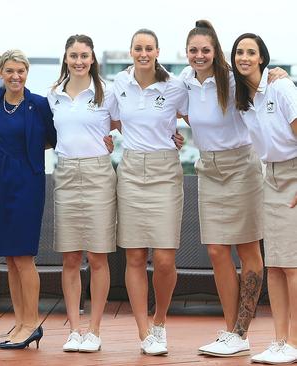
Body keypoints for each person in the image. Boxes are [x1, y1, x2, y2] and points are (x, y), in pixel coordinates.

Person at [180, 20, 265, 358]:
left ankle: (241, 330)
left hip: (242, 167)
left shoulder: (232, 81)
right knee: (216, 250)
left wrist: (278, 75)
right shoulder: (185, 82)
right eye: (193, 50)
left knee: (248, 251)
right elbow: (184, 117)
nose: (199, 55)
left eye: (205, 50)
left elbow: (266, 92)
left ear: (215, 51)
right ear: (187, 53)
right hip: (208, 168)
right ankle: (232, 331)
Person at [112, 29, 188, 356]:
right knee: (135, 255)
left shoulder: (174, 86)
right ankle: (144, 331)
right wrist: (104, 137)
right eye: (138, 48)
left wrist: (178, 136)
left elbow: (197, 113)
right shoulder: (119, 84)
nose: (143, 53)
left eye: (149, 48)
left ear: (158, 51)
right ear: (131, 52)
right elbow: (108, 119)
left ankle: (160, 320)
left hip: (165, 171)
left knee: (165, 258)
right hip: (130, 170)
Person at [47, 35, 118, 353]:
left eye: (84, 55)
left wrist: (172, 135)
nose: (78, 60)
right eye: (73, 55)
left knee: (98, 256)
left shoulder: (108, 91)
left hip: (99, 173)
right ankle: (74, 329)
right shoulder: (53, 94)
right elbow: (48, 135)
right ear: (65, 58)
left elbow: (129, 124)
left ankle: (94, 329)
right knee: (71, 257)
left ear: (92, 58)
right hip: (65, 173)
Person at [230, 33, 297, 365]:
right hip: (269, 175)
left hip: (294, 173)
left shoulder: (281, 87)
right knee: (276, 264)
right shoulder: (245, 99)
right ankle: (279, 340)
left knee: (293, 265)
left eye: (251, 52)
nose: (244, 57)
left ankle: (294, 341)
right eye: (239, 52)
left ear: (262, 58)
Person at [0, 49, 56, 350]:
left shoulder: (38, 104)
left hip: (27, 183)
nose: (16, 77)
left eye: (21, 71)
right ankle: (18, 323)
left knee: (24, 257)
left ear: (27, 73)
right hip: (0, 183)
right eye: (10, 71)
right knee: (10, 259)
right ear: (1, 73)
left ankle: (32, 323)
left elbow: (54, 138)